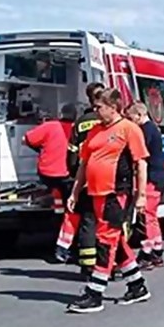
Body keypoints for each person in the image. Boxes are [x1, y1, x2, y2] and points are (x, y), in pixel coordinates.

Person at [66, 88, 151, 313]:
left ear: (113, 107)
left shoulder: (128, 129)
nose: (96, 111)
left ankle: (95, 293)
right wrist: (75, 193)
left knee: (105, 240)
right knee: (115, 239)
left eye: (100, 107)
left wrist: (141, 195)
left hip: (116, 192)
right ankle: (137, 285)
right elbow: (84, 165)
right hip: (95, 192)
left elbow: (141, 163)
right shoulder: (95, 131)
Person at [55, 82, 104, 272]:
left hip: (84, 177)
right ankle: (109, 262)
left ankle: (87, 263)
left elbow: (73, 152)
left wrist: (74, 173)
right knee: (108, 223)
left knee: (87, 221)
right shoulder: (110, 122)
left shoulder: (81, 122)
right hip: (106, 178)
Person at [126, 102, 164, 269]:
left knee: (146, 216)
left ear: (139, 115)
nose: (130, 121)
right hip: (159, 176)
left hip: (152, 176)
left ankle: (147, 252)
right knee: (152, 216)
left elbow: (139, 153)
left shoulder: (146, 131)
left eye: (131, 118)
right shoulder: (153, 129)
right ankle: (157, 251)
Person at [22, 102, 76, 213]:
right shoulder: (76, 129)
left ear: (61, 114)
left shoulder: (50, 126)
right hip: (68, 175)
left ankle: (51, 200)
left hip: (47, 174)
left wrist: (39, 149)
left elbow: (25, 139)